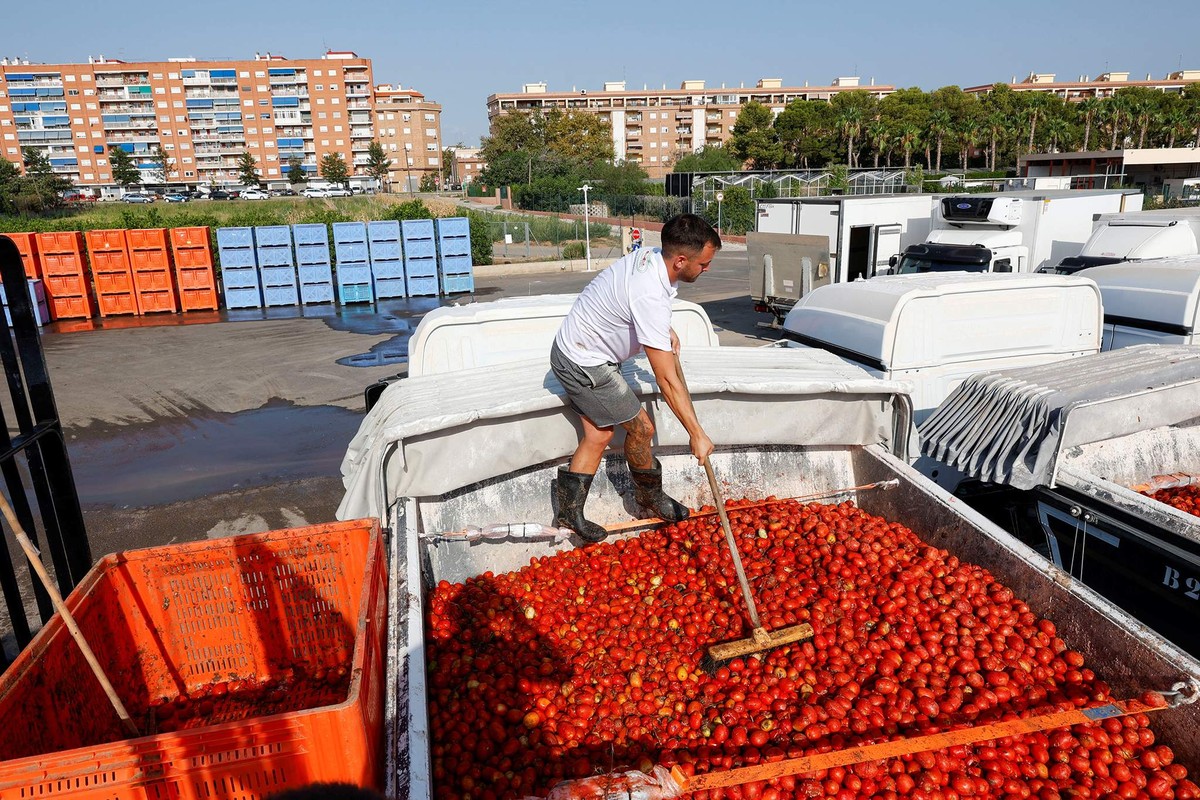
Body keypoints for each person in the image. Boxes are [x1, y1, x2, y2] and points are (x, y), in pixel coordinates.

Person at [550, 213, 721, 542]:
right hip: (583, 361)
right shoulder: (650, 294)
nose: (707, 269)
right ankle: (648, 496)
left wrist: (661, 329)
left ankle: (569, 512)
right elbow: (667, 381)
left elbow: (631, 304)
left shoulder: (653, 258)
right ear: (681, 260)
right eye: (703, 264)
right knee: (642, 428)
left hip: (577, 347)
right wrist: (697, 434)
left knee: (599, 435)